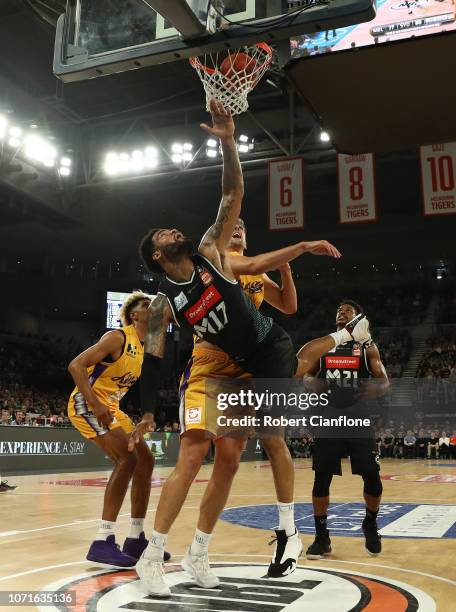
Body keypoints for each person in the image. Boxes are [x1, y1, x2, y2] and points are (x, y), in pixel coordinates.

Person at [131, 100, 366, 596]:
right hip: (206, 375)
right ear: (157, 254)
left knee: (233, 459)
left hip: (247, 365)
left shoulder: (213, 252)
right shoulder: (159, 305)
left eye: (174, 228)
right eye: (164, 233)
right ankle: (152, 553)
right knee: (192, 455)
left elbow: (232, 191)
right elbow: (153, 359)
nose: (175, 230)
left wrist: (227, 139)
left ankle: (199, 550)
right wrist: (147, 410)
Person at [67, 292, 170, 567]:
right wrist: (95, 404)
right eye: (146, 306)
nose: (153, 309)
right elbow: (76, 365)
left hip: (112, 408)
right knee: (128, 459)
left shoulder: (149, 347)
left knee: (146, 460)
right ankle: (103, 540)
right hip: (86, 403)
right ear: (134, 315)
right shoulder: (118, 337)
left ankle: (136, 538)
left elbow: (147, 385)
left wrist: (146, 416)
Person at [295, 300, 389, 559]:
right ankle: (322, 537)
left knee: (372, 476)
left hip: (359, 416)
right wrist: (314, 384)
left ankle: (370, 523)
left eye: (348, 310)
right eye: (338, 309)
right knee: (321, 478)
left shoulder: (367, 346)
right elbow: (306, 375)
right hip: (331, 415)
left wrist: (377, 388)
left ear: (358, 318)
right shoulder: (325, 345)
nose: (341, 311)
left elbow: (384, 381)